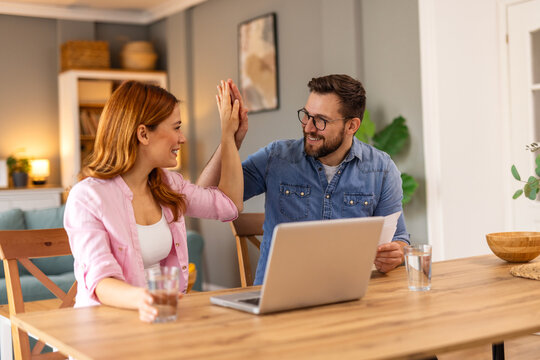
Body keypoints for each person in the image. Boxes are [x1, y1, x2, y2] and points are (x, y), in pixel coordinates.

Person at [198, 74, 410, 285]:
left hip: (348, 295)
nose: (308, 127)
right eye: (307, 115)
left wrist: (396, 253)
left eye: (320, 120)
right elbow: (202, 198)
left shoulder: (381, 169)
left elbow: (399, 239)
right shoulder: (276, 157)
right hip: (280, 295)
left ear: (352, 126)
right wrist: (230, 140)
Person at [64, 80, 243, 322]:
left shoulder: (168, 185)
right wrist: (144, 298)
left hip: (159, 319)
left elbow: (229, 204)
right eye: (177, 127)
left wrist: (228, 136)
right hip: (106, 328)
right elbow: (101, 280)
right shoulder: (87, 197)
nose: (182, 138)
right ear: (143, 133)